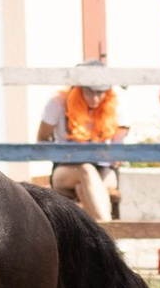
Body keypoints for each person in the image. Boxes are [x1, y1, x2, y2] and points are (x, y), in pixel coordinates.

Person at [36, 67, 129, 220]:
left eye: (100, 92)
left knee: (85, 187)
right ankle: (110, 232)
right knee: (86, 171)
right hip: (66, 169)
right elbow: (42, 139)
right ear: (78, 89)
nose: (95, 98)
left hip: (104, 169)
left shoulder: (116, 103)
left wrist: (115, 156)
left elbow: (118, 147)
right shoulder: (59, 102)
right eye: (89, 92)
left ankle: (100, 239)